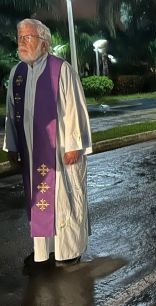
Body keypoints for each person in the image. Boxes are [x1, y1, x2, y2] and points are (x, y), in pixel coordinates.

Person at [3, 19, 92, 267]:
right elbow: (12, 113)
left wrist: (75, 145)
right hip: (32, 153)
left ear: (44, 42)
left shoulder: (61, 70)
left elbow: (74, 108)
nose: (22, 42)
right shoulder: (17, 74)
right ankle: (43, 250)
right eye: (20, 37)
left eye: (27, 37)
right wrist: (12, 144)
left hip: (60, 151)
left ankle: (69, 249)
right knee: (38, 201)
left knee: (65, 198)